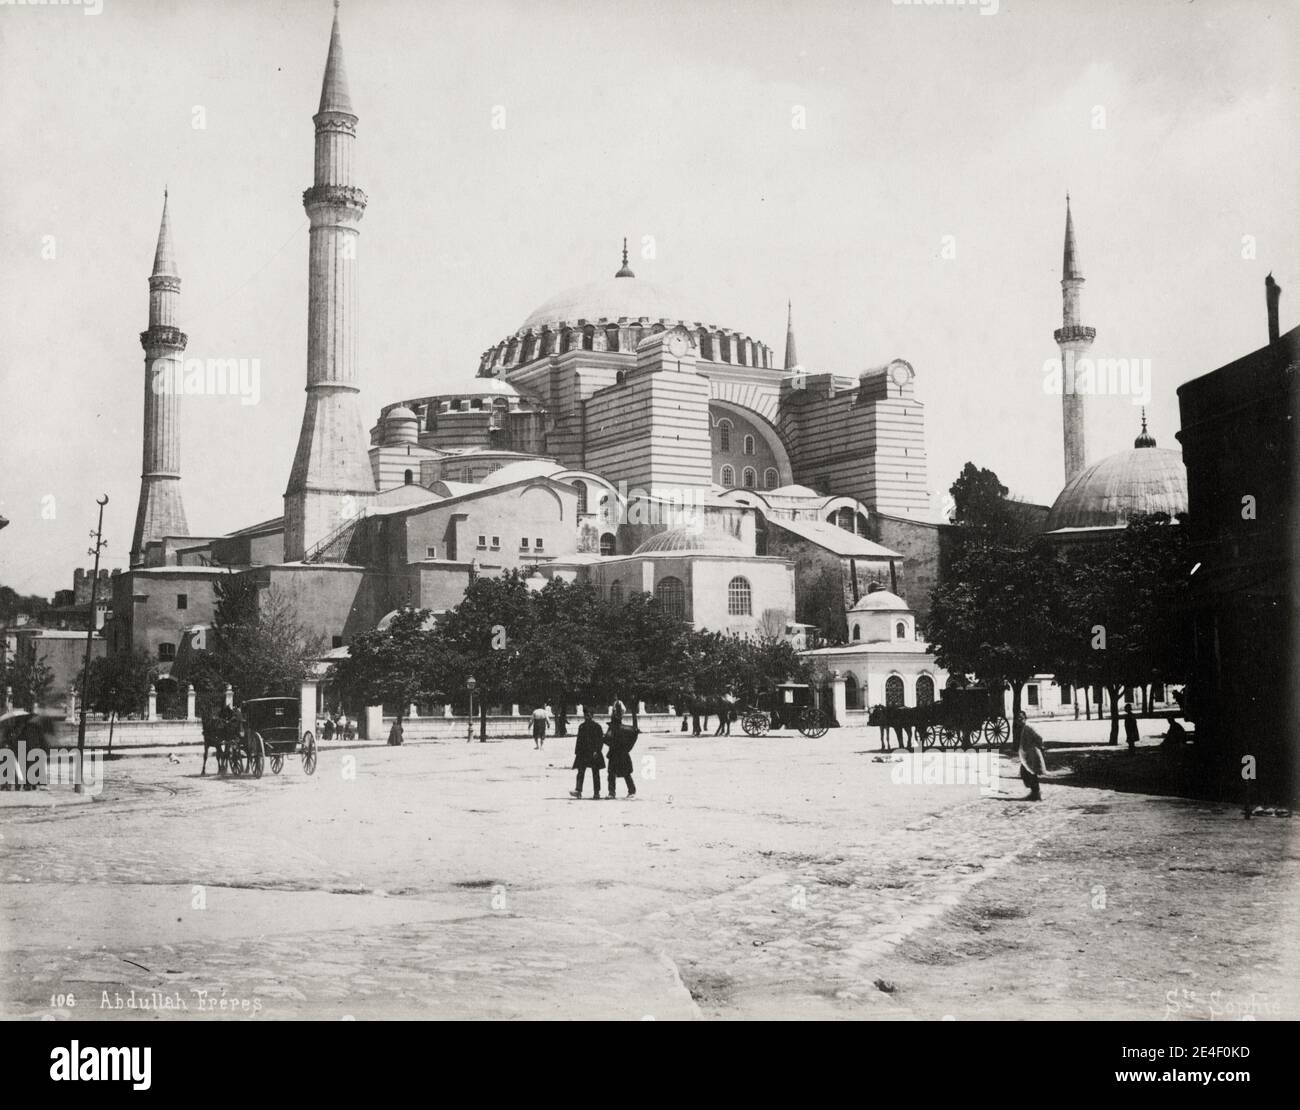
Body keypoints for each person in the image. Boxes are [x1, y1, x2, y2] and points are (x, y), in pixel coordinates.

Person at [570, 708, 605, 799]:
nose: (587, 716)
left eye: (589, 715)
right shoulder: (581, 726)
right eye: (586, 715)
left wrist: (597, 751)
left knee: (595, 773)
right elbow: (579, 741)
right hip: (583, 753)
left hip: (594, 753)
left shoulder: (597, 727)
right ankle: (578, 790)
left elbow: (600, 741)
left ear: (592, 716)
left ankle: (596, 792)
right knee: (580, 772)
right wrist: (577, 753)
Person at [1015, 709, 1046, 801]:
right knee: (1027, 772)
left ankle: (1036, 794)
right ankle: (1035, 793)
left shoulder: (1028, 727)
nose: (1020, 720)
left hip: (1032, 754)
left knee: (1031, 773)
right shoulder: (1023, 727)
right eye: (1018, 719)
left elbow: (1039, 737)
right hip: (1027, 755)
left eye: (1021, 718)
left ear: (1025, 718)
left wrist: (1039, 747)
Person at [605, 715, 638, 799]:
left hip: (616, 754)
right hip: (622, 754)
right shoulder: (626, 730)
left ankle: (612, 793)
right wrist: (628, 748)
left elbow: (607, 740)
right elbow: (635, 732)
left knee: (614, 774)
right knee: (624, 774)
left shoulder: (613, 730)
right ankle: (631, 791)